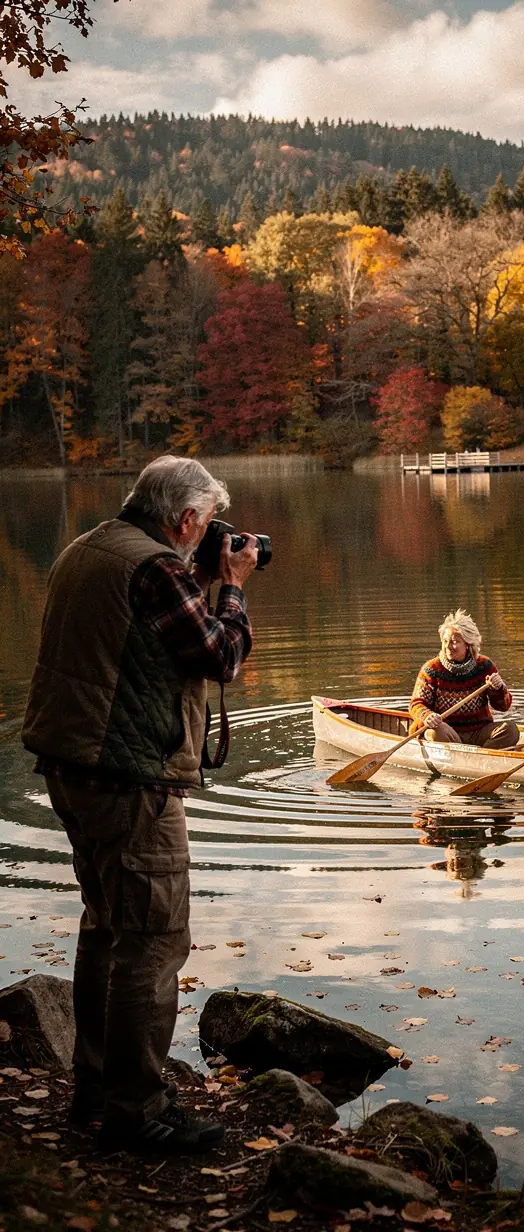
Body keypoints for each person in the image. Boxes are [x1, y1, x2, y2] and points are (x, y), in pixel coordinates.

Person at [21, 456, 258, 1155]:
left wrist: (201, 576)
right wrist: (234, 589)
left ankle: (96, 1088)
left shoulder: (87, 547)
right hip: (130, 779)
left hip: (72, 766)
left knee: (106, 928)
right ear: (185, 519)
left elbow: (139, 635)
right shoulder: (158, 570)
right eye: (208, 526)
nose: (213, 538)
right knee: (154, 941)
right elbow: (221, 657)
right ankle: (138, 1111)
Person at [410, 609, 519, 749]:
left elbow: (503, 707)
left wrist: (498, 689)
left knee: (511, 729)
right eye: (445, 641)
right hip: (447, 732)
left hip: (479, 732)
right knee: (436, 732)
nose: (448, 646)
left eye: (454, 642)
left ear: (468, 644)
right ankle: (472, 758)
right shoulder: (431, 669)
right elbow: (416, 704)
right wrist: (427, 716)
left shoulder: (485, 666)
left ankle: (482, 757)